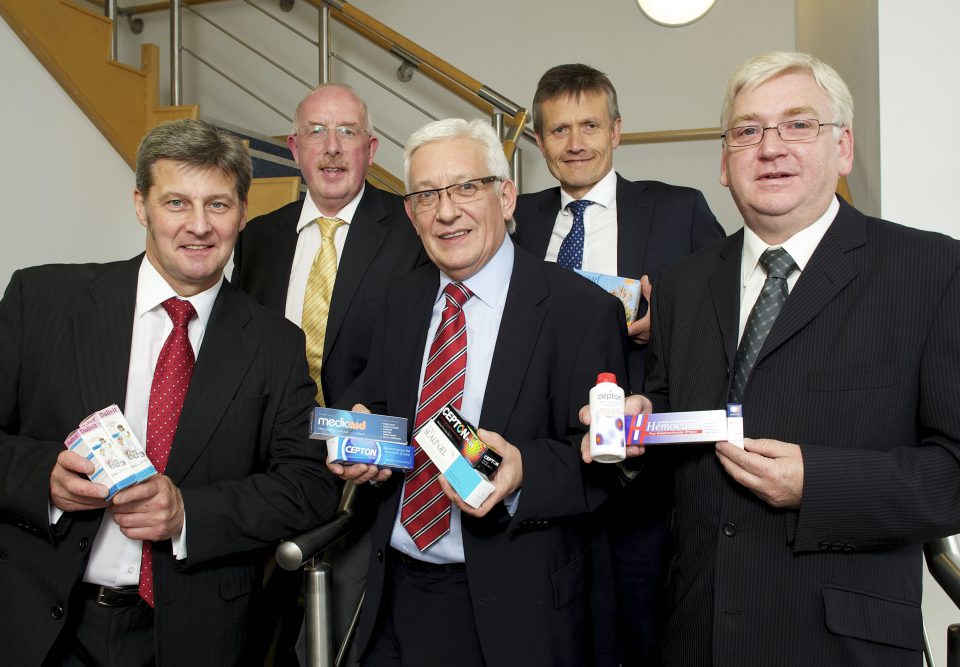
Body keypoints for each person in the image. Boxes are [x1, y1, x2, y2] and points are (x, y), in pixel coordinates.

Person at [615, 51, 960, 665]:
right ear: (725, 162)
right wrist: (639, 429)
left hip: (841, 646)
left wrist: (816, 485)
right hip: (697, 638)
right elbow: (677, 431)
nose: (770, 147)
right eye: (747, 130)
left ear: (843, 148)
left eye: (798, 124)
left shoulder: (931, 271)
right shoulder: (681, 285)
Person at [0, 119, 340, 665]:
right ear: (141, 205)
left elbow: (308, 486)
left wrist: (188, 514)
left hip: (188, 636)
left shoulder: (275, 344)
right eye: (176, 203)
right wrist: (43, 479)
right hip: (27, 620)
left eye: (218, 204)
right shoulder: (41, 300)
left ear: (242, 213)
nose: (199, 226)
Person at [332, 118, 628, 666]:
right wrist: (361, 434)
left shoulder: (581, 312)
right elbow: (376, 400)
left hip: (515, 607)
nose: (446, 212)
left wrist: (522, 471)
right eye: (426, 195)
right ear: (411, 213)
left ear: (506, 196)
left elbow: (608, 470)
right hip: (393, 593)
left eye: (466, 187)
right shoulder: (400, 299)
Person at [513, 62, 725, 665]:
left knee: (642, 630)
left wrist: (669, 320)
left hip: (643, 476)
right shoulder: (515, 219)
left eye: (590, 126)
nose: (575, 143)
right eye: (559, 130)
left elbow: (728, 309)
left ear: (616, 131)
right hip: (543, 457)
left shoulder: (678, 209)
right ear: (539, 142)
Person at [231, 83, 425, 664]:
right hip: (268, 464)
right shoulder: (258, 237)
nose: (333, 147)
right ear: (294, 148)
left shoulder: (413, 229)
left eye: (348, 132)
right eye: (317, 132)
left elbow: (418, 346)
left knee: (340, 639)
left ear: (371, 148)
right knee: (257, 629)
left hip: (365, 472)